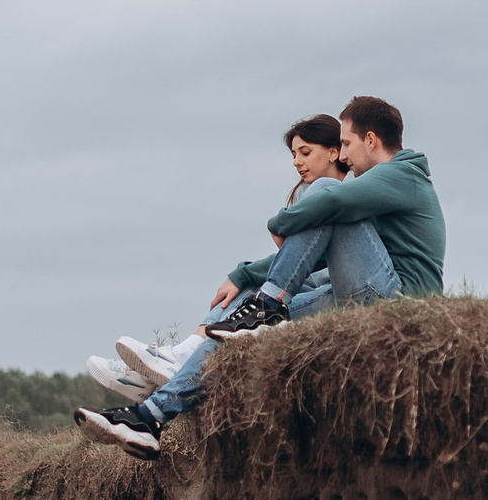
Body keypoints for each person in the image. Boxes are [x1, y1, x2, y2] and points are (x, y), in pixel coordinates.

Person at [76, 96, 443, 455]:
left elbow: (332, 202)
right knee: (235, 328)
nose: (344, 155)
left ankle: (265, 308)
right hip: (355, 295)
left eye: (346, 144)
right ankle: (149, 417)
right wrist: (244, 274)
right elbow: (315, 256)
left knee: (326, 190)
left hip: (400, 304)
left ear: (371, 140)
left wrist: (280, 223)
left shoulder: (405, 174)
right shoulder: (378, 189)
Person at [83, 116, 347, 401]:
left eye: (305, 153)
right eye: (294, 155)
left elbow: (313, 257)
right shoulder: (304, 194)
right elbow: (291, 258)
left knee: (248, 294)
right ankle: (167, 363)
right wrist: (246, 275)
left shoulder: (350, 191)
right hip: (301, 287)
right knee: (248, 290)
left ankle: (170, 364)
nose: (296, 162)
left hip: (330, 292)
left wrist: (244, 272)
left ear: (333, 152)